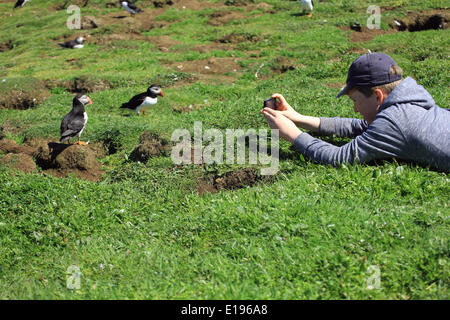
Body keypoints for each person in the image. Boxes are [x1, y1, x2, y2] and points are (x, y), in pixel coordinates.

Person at [261, 52, 450, 172]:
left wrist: (293, 134)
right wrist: (299, 119)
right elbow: (362, 126)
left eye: (355, 100)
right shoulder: (409, 102)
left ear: (378, 96)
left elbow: (339, 158)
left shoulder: (394, 122)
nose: (355, 108)